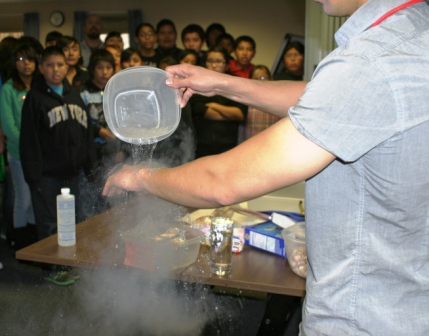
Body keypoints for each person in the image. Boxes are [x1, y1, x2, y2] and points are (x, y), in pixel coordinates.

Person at [103, 0, 429, 334]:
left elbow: (224, 181)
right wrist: (221, 83)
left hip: (362, 318)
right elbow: (319, 96)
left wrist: (141, 176)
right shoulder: (411, 36)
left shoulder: (372, 63)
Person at [20, 46, 95, 242]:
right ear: (41, 68)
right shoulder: (35, 99)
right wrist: (34, 178)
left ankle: (71, 269)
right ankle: (51, 271)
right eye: (50, 65)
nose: (56, 69)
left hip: (73, 173)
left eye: (60, 64)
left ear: (66, 66)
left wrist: (90, 166)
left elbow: (86, 133)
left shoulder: (74, 95)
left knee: (75, 222)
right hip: (46, 176)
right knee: (50, 225)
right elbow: (29, 141)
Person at [0, 44, 37, 249]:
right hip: (18, 154)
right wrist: (26, 149)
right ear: (14, 64)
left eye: (30, 60)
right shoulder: (8, 89)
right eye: (21, 60)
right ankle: (19, 241)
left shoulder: (39, 86)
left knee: (34, 199)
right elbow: (8, 126)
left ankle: (31, 242)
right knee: (23, 199)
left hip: (37, 155)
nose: (26, 64)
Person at [189, 46, 247, 158]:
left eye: (219, 61)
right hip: (200, 146)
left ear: (227, 65)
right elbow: (201, 110)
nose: (214, 65)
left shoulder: (236, 85)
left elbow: (239, 114)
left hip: (229, 146)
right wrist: (229, 114)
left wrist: (214, 105)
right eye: (210, 61)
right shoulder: (196, 85)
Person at [80, 49, 117, 218]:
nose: (104, 72)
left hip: (114, 151)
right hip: (90, 152)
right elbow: (80, 120)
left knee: (112, 197)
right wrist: (99, 131)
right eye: (100, 67)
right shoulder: (82, 92)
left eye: (108, 67)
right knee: (90, 196)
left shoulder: (117, 90)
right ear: (92, 69)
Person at [238, 65, 279, 143]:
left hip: (273, 145)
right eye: (255, 79)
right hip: (249, 145)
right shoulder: (245, 101)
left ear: (271, 80)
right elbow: (240, 130)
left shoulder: (278, 102)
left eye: (263, 78)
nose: (259, 82)